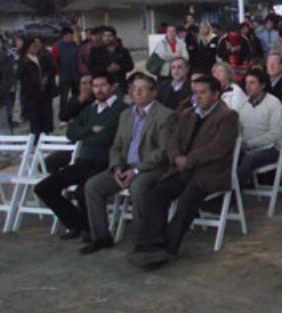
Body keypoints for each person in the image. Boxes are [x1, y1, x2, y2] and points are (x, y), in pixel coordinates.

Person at [128, 76, 238, 269]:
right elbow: (173, 141)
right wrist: (176, 157)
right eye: (195, 93)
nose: (198, 97)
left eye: (203, 93)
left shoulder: (227, 116)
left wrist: (190, 159)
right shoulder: (188, 114)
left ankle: (169, 248)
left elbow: (219, 147)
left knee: (187, 201)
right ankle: (150, 245)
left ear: (215, 94)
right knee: (156, 195)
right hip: (182, 168)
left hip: (208, 172)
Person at [81, 73, 174, 254]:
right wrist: (116, 167)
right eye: (134, 89)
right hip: (125, 167)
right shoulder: (125, 115)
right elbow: (116, 146)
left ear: (154, 92)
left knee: (138, 187)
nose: (137, 93)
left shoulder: (165, 115)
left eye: (143, 89)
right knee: (92, 186)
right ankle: (101, 237)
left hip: (152, 168)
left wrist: (137, 170)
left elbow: (163, 151)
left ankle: (143, 240)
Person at [34, 72, 127, 240]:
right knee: (44, 188)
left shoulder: (120, 109)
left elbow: (106, 137)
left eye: (103, 85)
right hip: (83, 161)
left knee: (82, 191)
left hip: (104, 162)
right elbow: (70, 133)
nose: (98, 90)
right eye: (95, 86)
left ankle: (91, 231)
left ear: (113, 87)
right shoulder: (89, 109)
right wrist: (91, 129)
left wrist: (84, 134)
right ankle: (78, 224)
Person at [236, 70, 282, 187]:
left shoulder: (274, 104)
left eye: (252, 83)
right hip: (245, 146)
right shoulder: (243, 103)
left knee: (249, 158)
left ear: (262, 85)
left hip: (270, 149)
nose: (248, 86)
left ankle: (234, 193)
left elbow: (275, 134)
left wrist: (249, 144)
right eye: (246, 83)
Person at [17, 37, 57, 136]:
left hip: (45, 91)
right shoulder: (24, 60)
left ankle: (47, 133)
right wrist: (36, 83)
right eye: (33, 46)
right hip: (33, 93)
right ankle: (36, 136)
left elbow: (51, 69)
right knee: (35, 116)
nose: (35, 48)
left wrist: (46, 78)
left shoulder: (42, 56)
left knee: (46, 114)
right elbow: (22, 77)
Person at [89, 26, 134, 92]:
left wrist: (119, 67)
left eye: (109, 35)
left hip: (120, 83)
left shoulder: (123, 51)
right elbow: (91, 67)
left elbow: (130, 65)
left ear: (114, 37)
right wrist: (106, 69)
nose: (107, 38)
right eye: (104, 36)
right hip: (102, 84)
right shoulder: (95, 51)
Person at [51, 27, 80, 114]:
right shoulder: (57, 46)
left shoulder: (74, 45)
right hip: (64, 76)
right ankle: (63, 113)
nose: (72, 37)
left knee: (76, 95)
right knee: (64, 96)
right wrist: (58, 72)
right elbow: (53, 60)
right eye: (70, 35)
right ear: (65, 35)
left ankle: (75, 111)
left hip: (75, 75)